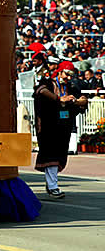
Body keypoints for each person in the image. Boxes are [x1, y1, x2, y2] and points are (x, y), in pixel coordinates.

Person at [34, 60, 89, 198]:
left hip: (64, 126)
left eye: (71, 75)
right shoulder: (48, 83)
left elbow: (82, 100)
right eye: (66, 74)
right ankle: (53, 186)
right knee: (50, 155)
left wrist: (78, 101)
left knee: (59, 155)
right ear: (60, 72)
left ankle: (51, 184)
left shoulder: (71, 87)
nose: (68, 78)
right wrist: (59, 99)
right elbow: (40, 91)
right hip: (49, 126)